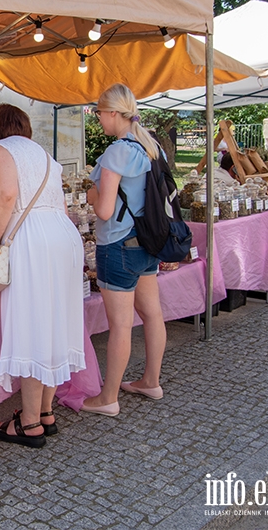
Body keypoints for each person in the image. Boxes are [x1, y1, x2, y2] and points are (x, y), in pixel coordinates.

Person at [0, 104, 85, 449]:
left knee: (32, 323)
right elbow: (61, 204)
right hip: (62, 235)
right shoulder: (44, 155)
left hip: (32, 239)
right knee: (54, 323)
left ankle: (30, 422)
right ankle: (46, 412)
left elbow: (7, 194)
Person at [82, 84, 167, 417]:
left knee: (120, 325)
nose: (99, 119)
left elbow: (103, 210)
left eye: (100, 113)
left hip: (117, 245)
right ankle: (151, 381)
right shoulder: (148, 144)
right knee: (152, 314)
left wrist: (92, 195)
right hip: (147, 242)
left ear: (113, 113)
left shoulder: (117, 151)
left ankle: (108, 398)